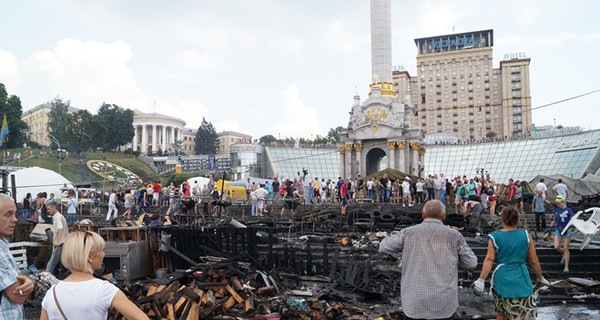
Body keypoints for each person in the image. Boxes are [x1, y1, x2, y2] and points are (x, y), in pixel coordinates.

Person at [379, 200, 477, 319]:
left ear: (423, 215)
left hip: (414, 303)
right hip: (444, 303)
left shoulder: (408, 233)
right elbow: (471, 263)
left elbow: (383, 247)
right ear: (443, 216)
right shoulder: (454, 235)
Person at [40, 231, 149, 320]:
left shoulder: (52, 292)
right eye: (101, 250)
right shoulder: (104, 289)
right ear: (90, 256)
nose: (104, 254)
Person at [474, 206, 550, 320]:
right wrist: (540, 277)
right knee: (520, 315)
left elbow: (489, 259)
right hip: (521, 279)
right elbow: (534, 261)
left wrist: (481, 279)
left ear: (502, 219)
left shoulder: (494, 236)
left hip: (502, 280)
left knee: (501, 313)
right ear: (517, 219)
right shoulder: (525, 235)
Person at [0, 194, 35, 319]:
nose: (15, 219)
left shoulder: (3, 245)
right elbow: (18, 295)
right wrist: (29, 283)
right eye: (8, 214)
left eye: (15, 214)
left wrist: (28, 283)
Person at [552, 195, 574, 272]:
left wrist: (573, 226)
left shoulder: (569, 210)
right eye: (557, 204)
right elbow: (555, 220)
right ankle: (564, 254)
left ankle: (566, 266)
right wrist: (550, 228)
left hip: (567, 230)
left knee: (565, 248)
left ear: (563, 202)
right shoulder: (556, 210)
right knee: (556, 246)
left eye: (559, 204)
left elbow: (572, 220)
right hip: (558, 229)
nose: (558, 205)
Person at [46, 202, 69, 276]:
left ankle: (45, 279)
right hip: (64, 244)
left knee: (50, 265)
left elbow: (60, 229)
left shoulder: (58, 217)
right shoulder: (59, 216)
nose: (48, 211)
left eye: (49, 209)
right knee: (64, 266)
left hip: (60, 245)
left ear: (54, 208)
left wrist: (58, 241)